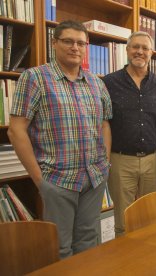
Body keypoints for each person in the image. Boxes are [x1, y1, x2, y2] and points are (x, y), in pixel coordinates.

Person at [7, 20, 112, 259]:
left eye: (81, 43)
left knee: (88, 242)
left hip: (93, 178)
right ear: (54, 43)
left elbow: (105, 124)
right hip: (57, 179)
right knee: (60, 247)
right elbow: (16, 130)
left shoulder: (97, 83)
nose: (75, 47)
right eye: (68, 41)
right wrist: (39, 179)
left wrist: (104, 164)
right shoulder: (35, 78)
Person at [102, 31, 156, 236]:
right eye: (135, 47)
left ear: (152, 53)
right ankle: (124, 265)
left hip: (153, 160)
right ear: (127, 50)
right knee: (123, 220)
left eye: (145, 48)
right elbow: (102, 123)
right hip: (121, 161)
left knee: (151, 216)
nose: (140, 51)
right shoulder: (109, 82)